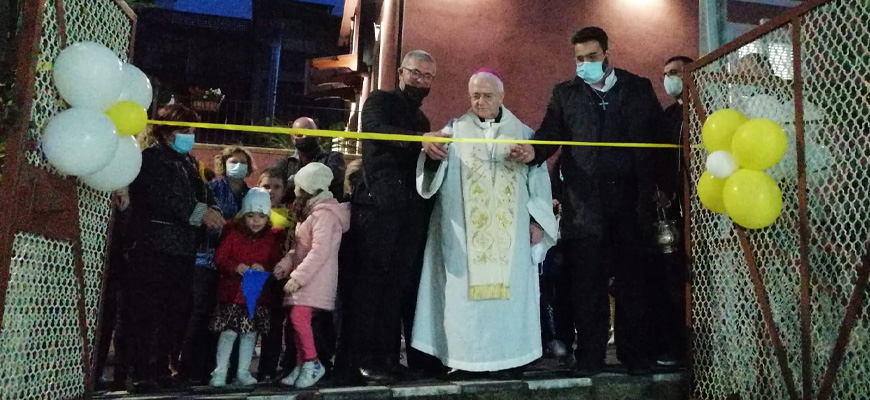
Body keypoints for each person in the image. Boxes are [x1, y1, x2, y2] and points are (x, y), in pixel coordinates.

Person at [510, 27, 664, 376]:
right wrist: (532, 150)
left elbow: (659, 136)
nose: (585, 64)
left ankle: (635, 355)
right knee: (586, 285)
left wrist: (664, 186)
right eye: (579, 59)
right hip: (585, 205)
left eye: (592, 57)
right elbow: (550, 133)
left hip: (631, 201)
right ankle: (590, 357)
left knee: (633, 284)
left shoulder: (638, 88)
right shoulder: (565, 94)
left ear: (607, 53)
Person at [413, 71, 557, 374]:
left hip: (511, 240)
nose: (480, 101)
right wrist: (431, 154)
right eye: (475, 95)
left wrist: (537, 222)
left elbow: (539, 181)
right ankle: (464, 360)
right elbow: (430, 171)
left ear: (501, 97)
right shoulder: (453, 131)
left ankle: (510, 358)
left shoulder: (524, 134)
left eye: (487, 95)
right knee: (462, 302)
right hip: (462, 238)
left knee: (509, 301)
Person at [344, 49, 439, 383]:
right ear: (401, 72)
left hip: (408, 210)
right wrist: (420, 142)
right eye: (416, 73)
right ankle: (360, 359)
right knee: (371, 282)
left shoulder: (423, 121)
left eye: (428, 76)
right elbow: (376, 130)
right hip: (378, 206)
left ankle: (386, 356)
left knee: (397, 285)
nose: (421, 81)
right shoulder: (378, 101)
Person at [125, 104, 225, 392]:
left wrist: (213, 211)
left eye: (192, 131)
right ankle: (142, 371)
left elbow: (205, 194)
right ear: (166, 131)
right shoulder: (151, 159)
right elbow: (164, 198)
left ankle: (161, 368)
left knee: (175, 311)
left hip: (183, 248)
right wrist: (199, 214)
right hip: (154, 245)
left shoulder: (190, 163)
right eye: (184, 130)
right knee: (149, 310)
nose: (189, 136)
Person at [273, 163, 350, 388]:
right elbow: (299, 248)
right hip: (305, 276)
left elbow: (320, 250)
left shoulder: (325, 215)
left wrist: (298, 277)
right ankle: (301, 364)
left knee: (299, 317)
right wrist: (286, 265)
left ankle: (312, 362)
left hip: (315, 278)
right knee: (297, 320)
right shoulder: (311, 212)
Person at [209, 188, 284, 387]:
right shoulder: (233, 234)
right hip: (233, 295)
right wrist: (236, 267)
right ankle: (220, 371)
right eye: (251, 215)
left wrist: (265, 268)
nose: (256, 221)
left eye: (261, 216)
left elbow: (275, 262)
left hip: (255, 297)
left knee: (250, 335)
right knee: (229, 333)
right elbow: (220, 258)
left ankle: (243, 371)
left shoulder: (270, 239)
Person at [651, 55, 694, 367]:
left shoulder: (710, 109)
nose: (669, 79)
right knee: (671, 283)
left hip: (707, 214)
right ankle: (676, 348)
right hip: (673, 215)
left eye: (676, 73)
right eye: (666, 74)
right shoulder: (667, 117)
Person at [255, 167, 297, 382]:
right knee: (248, 323)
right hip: (253, 276)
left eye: (276, 187)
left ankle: (269, 369)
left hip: (279, 278)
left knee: (274, 324)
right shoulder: (249, 212)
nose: (271, 191)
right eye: (266, 186)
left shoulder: (291, 216)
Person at [274, 117, 347, 200]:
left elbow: (331, 182)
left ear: (317, 134)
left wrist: (291, 182)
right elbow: (275, 185)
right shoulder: (285, 163)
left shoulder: (334, 158)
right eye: (299, 134)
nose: (305, 136)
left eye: (310, 132)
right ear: (292, 138)